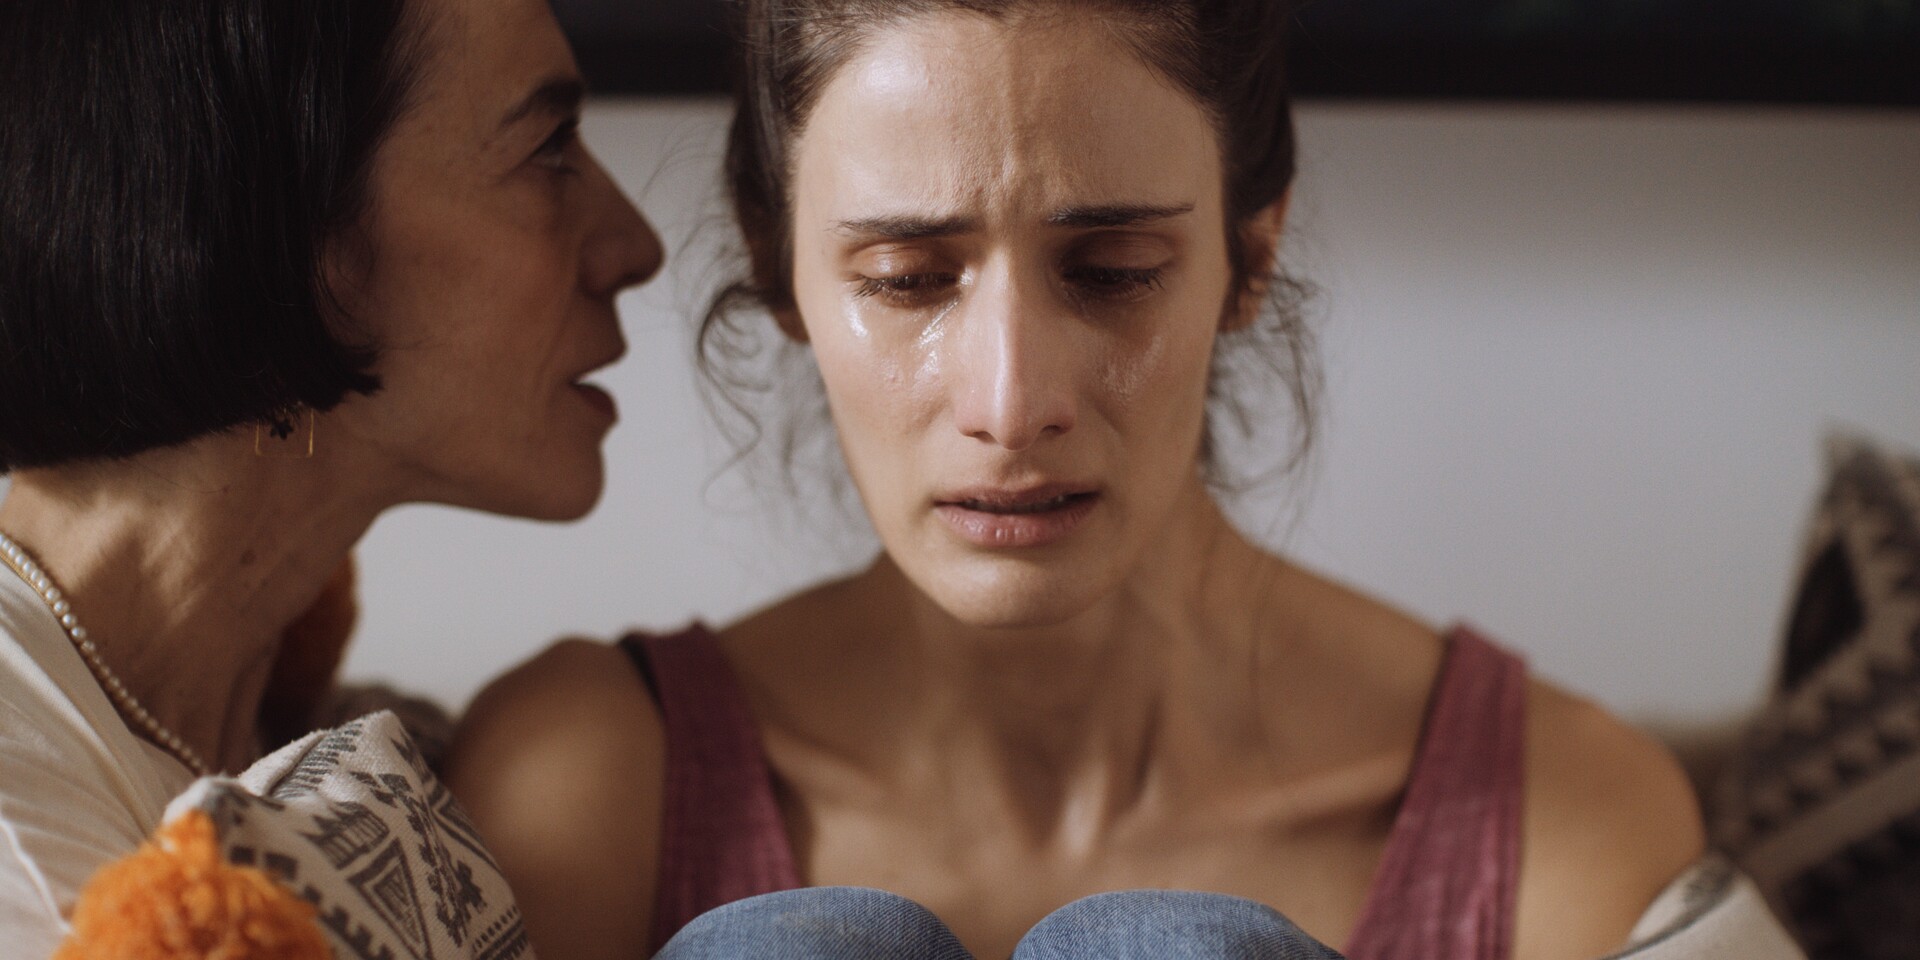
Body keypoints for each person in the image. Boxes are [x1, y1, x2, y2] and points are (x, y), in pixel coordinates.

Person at [445, 1, 1787, 958]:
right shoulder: (595, 787)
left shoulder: (1562, 822)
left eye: (1113, 272)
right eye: (906, 280)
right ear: (777, 265)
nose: (1011, 401)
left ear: (1251, 254)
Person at [0, 0, 661, 953]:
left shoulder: (318, 739)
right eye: (549, 148)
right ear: (292, 227)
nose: (636, 246)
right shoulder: (25, 825)